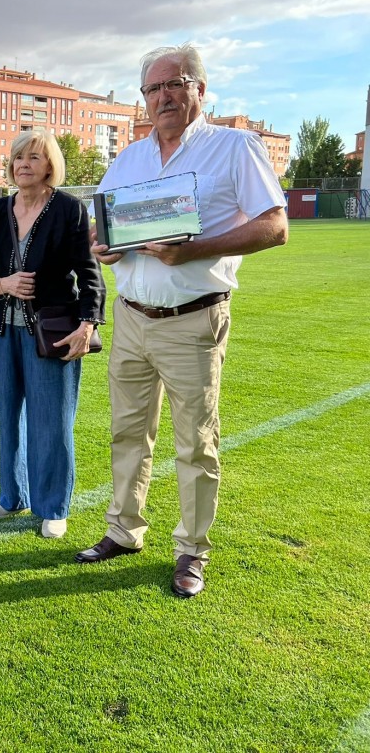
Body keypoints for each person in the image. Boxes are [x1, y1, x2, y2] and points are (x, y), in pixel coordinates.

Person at [75, 43, 288, 597]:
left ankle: (192, 551)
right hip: (132, 317)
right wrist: (105, 247)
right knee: (127, 433)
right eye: (153, 88)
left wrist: (197, 249)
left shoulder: (235, 146)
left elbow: (275, 225)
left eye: (176, 83)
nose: (163, 96)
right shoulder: (129, 159)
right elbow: (104, 228)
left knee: (195, 442)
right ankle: (124, 530)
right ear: (143, 98)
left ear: (199, 89)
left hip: (193, 319)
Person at [0, 131, 105, 539]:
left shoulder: (69, 210)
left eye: (33, 157)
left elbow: (89, 272)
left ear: (50, 166)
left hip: (53, 331)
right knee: (8, 416)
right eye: (17, 158)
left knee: (52, 421)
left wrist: (89, 323)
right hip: (2, 329)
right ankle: (12, 496)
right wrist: (2, 284)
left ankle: (52, 507)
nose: (23, 164)